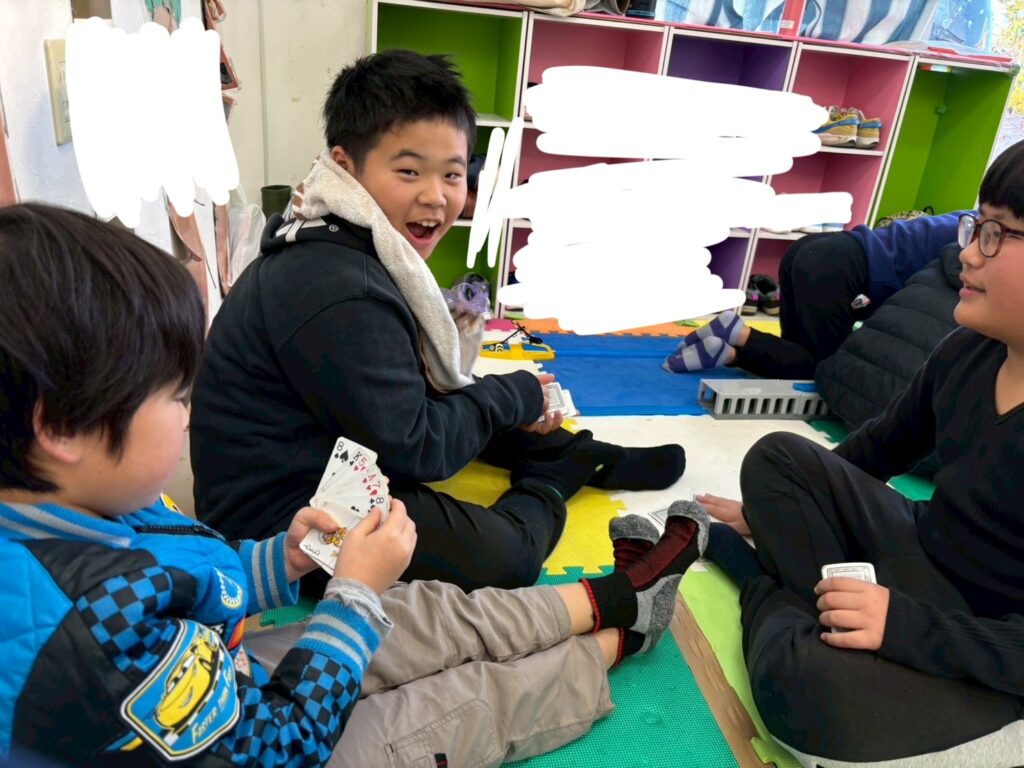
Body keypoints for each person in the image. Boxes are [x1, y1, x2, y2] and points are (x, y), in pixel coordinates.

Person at [0, 202, 711, 766]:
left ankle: (624, 597)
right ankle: (622, 640)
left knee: (423, 609)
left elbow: (185, 574)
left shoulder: (77, 503)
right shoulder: (86, 627)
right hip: (264, 742)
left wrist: (281, 560)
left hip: (217, 673)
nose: (190, 414)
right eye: (175, 396)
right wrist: (353, 595)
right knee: (461, 703)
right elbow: (283, 746)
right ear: (61, 427)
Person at [189, 49, 685, 594]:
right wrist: (516, 393)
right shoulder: (342, 288)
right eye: (409, 171)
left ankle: (582, 452)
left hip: (334, 444)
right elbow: (419, 448)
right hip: (282, 518)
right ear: (345, 166)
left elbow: (413, 398)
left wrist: (511, 399)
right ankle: (555, 475)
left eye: (452, 174)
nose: (436, 196)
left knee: (466, 400)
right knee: (508, 556)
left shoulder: (346, 241)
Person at [696, 140, 1024, 766]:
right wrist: (769, 509)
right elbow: (876, 448)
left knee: (815, 692)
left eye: (995, 234)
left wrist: (904, 627)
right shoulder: (968, 350)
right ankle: (820, 613)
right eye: (974, 226)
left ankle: (760, 583)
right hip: (925, 553)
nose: (965, 252)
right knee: (779, 458)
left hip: (992, 645)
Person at [664, 210, 962, 379]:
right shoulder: (970, 239)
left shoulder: (962, 220)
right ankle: (733, 346)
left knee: (796, 353)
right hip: (835, 269)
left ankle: (730, 333)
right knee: (822, 370)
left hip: (815, 248)